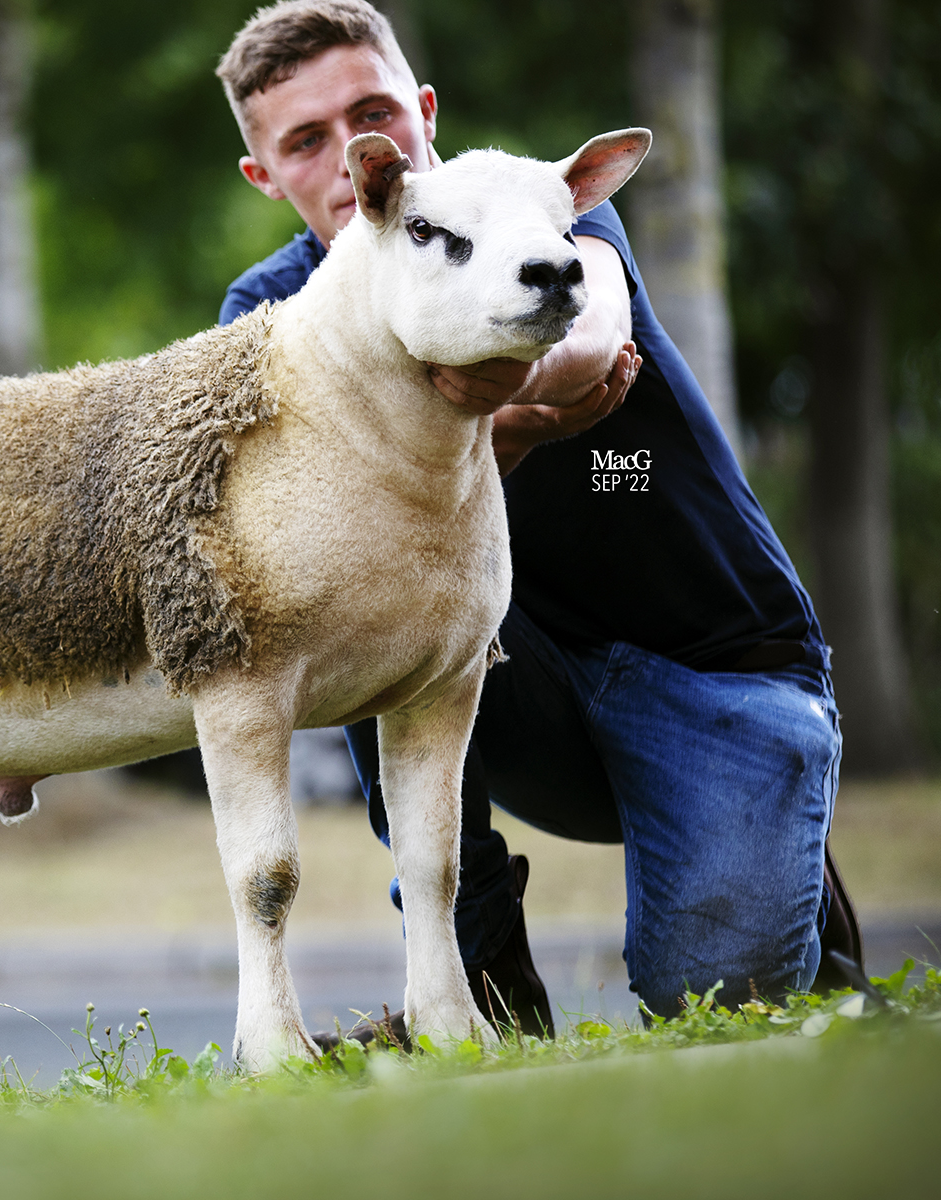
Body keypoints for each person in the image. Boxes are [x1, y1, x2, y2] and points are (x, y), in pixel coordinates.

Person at [213, 0, 857, 1039]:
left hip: (714, 661)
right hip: (517, 689)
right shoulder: (268, 313)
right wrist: (505, 436)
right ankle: (481, 1004)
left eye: (372, 113)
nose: (353, 156)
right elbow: (306, 535)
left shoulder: (525, 206)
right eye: (306, 141)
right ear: (265, 176)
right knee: (370, 640)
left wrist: (501, 397)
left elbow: (592, 334)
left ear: (424, 112)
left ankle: (789, 854)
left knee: (719, 1008)